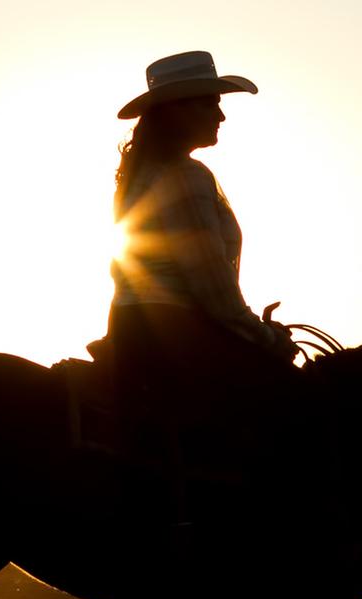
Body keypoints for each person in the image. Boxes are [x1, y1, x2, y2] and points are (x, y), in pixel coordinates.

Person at [103, 50, 297, 446]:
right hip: (176, 333)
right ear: (177, 111)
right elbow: (213, 289)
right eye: (210, 104)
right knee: (297, 415)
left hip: (130, 326)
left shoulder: (141, 176)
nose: (221, 116)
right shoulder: (186, 177)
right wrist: (267, 337)